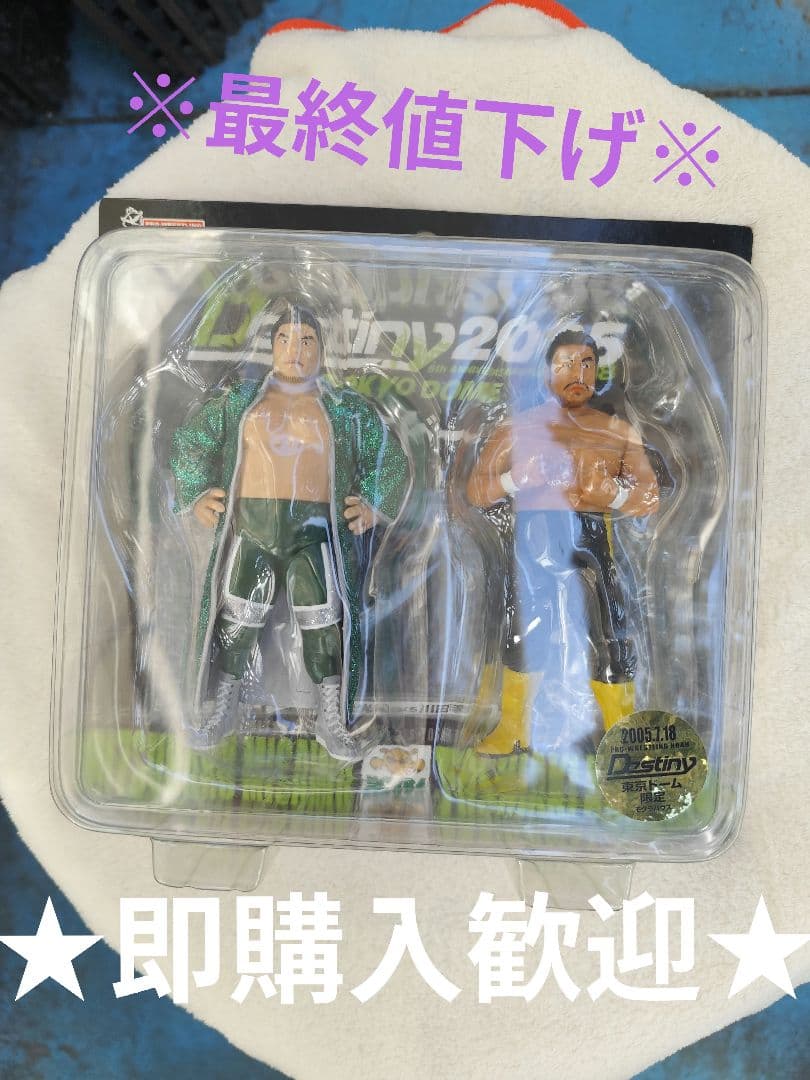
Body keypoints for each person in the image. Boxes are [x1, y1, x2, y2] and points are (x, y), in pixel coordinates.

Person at [170, 301, 409, 758]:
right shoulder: (240, 403)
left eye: (306, 340)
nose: (295, 350)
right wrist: (197, 493)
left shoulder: (343, 410)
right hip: (252, 529)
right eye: (285, 339)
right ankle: (221, 711)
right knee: (236, 622)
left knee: (324, 623)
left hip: (314, 533)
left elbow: (389, 457)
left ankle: (333, 720)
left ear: (321, 350)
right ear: (271, 346)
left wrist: (374, 505)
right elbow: (190, 442)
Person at [466, 329, 660, 755]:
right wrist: (517, 478)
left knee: (608, 631)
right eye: (566, 364)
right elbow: (477, 492)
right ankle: (513, 728)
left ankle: (621, 732)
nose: (579, 373)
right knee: (522, 631)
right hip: (534, 537)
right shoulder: (517, 428)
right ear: (547, 372)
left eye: (587, 364)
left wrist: (613, 493)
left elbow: (649, 498)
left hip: (592, 536)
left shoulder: (616, 431)